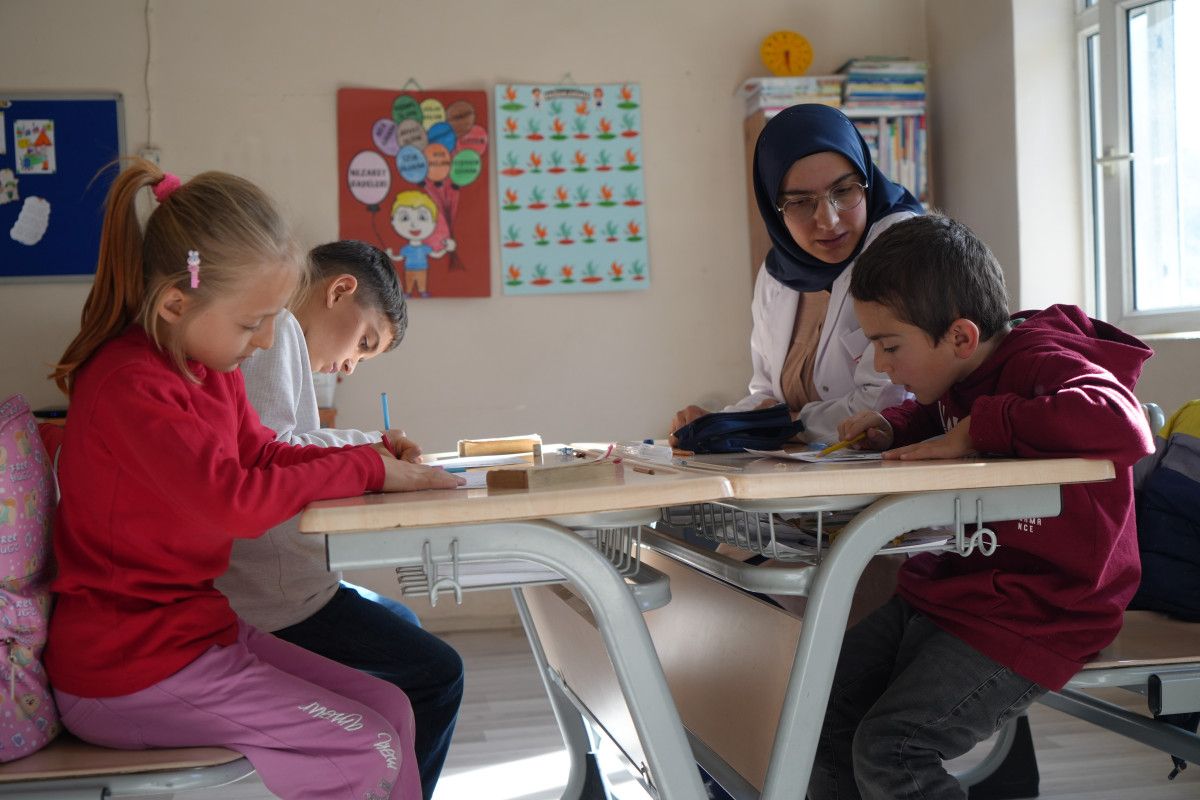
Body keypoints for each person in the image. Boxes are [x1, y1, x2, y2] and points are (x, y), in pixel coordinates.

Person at [45, 159, 461, 800]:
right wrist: (365, 466)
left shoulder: (207, 369)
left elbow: (262, 454)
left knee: (394, 710)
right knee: (370, 742)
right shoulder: (129, 384)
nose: (268, 341)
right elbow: (233, 503)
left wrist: (375, 457)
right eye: (252, 322)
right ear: (176, 302)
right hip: (126, 669)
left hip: (194, 638)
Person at [810, 214, 1154, 799]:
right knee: (819, 705)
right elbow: (937, 415)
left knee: (893, 748)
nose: (881, 365)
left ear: (961, 338)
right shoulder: (962, 373)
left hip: (1046, 608)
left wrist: (979, 428)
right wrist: (893, 427)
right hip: (958, 587)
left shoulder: (1044, 359)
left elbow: (1122, 422)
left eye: (889, 346)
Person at [218, 239, 463, 799]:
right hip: (275, 598)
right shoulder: (276, 330)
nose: (351, 365)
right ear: (340, 291)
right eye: (364, 342)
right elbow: (272, 454)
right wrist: (371, 455)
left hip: (284, 584)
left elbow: (286, 445)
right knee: (438, 675)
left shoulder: (273, 333)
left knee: (403, 624)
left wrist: (370, 447)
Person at [670, 103, 923, 447]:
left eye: (844, 190)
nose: (828, 220)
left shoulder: (901, 249)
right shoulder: (778, 272)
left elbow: (885, 405)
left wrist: (780, 425)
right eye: (801, 202)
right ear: (775, 209)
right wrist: (719, 422)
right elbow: (766, 394)